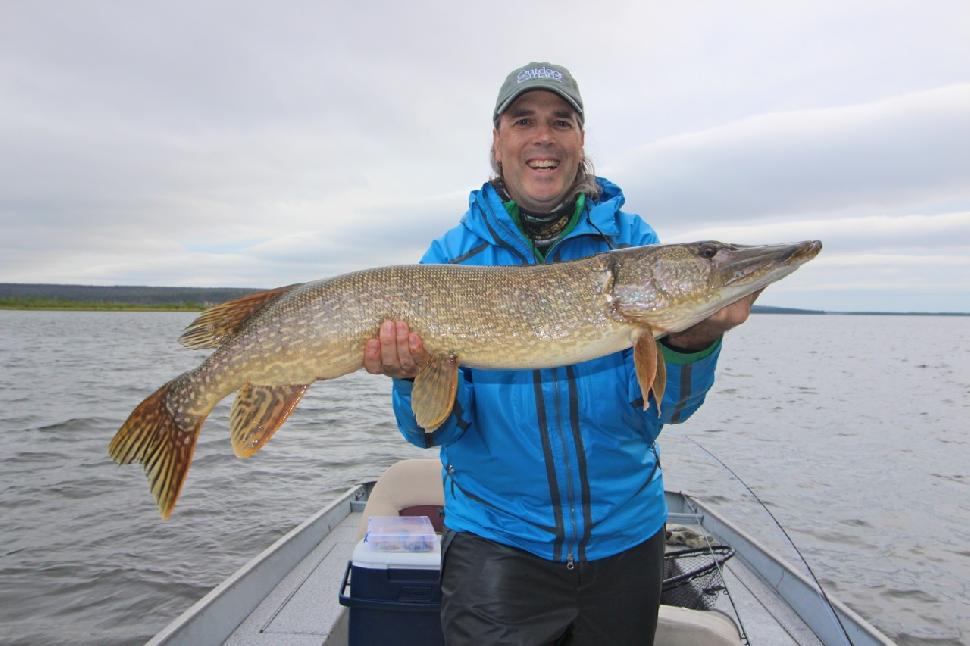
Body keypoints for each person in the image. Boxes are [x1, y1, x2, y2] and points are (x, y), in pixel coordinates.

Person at [363, 62, 759, 645]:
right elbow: (430, 429)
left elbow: (669, 411)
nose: (543, 136)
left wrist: (691, 341)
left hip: (626, 539)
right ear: (497, 144)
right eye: (523, 120)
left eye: (562, 121)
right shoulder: (450, 260)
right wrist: (410, 374)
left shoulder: (633, 244)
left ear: (581, 143)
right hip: (497, 545)